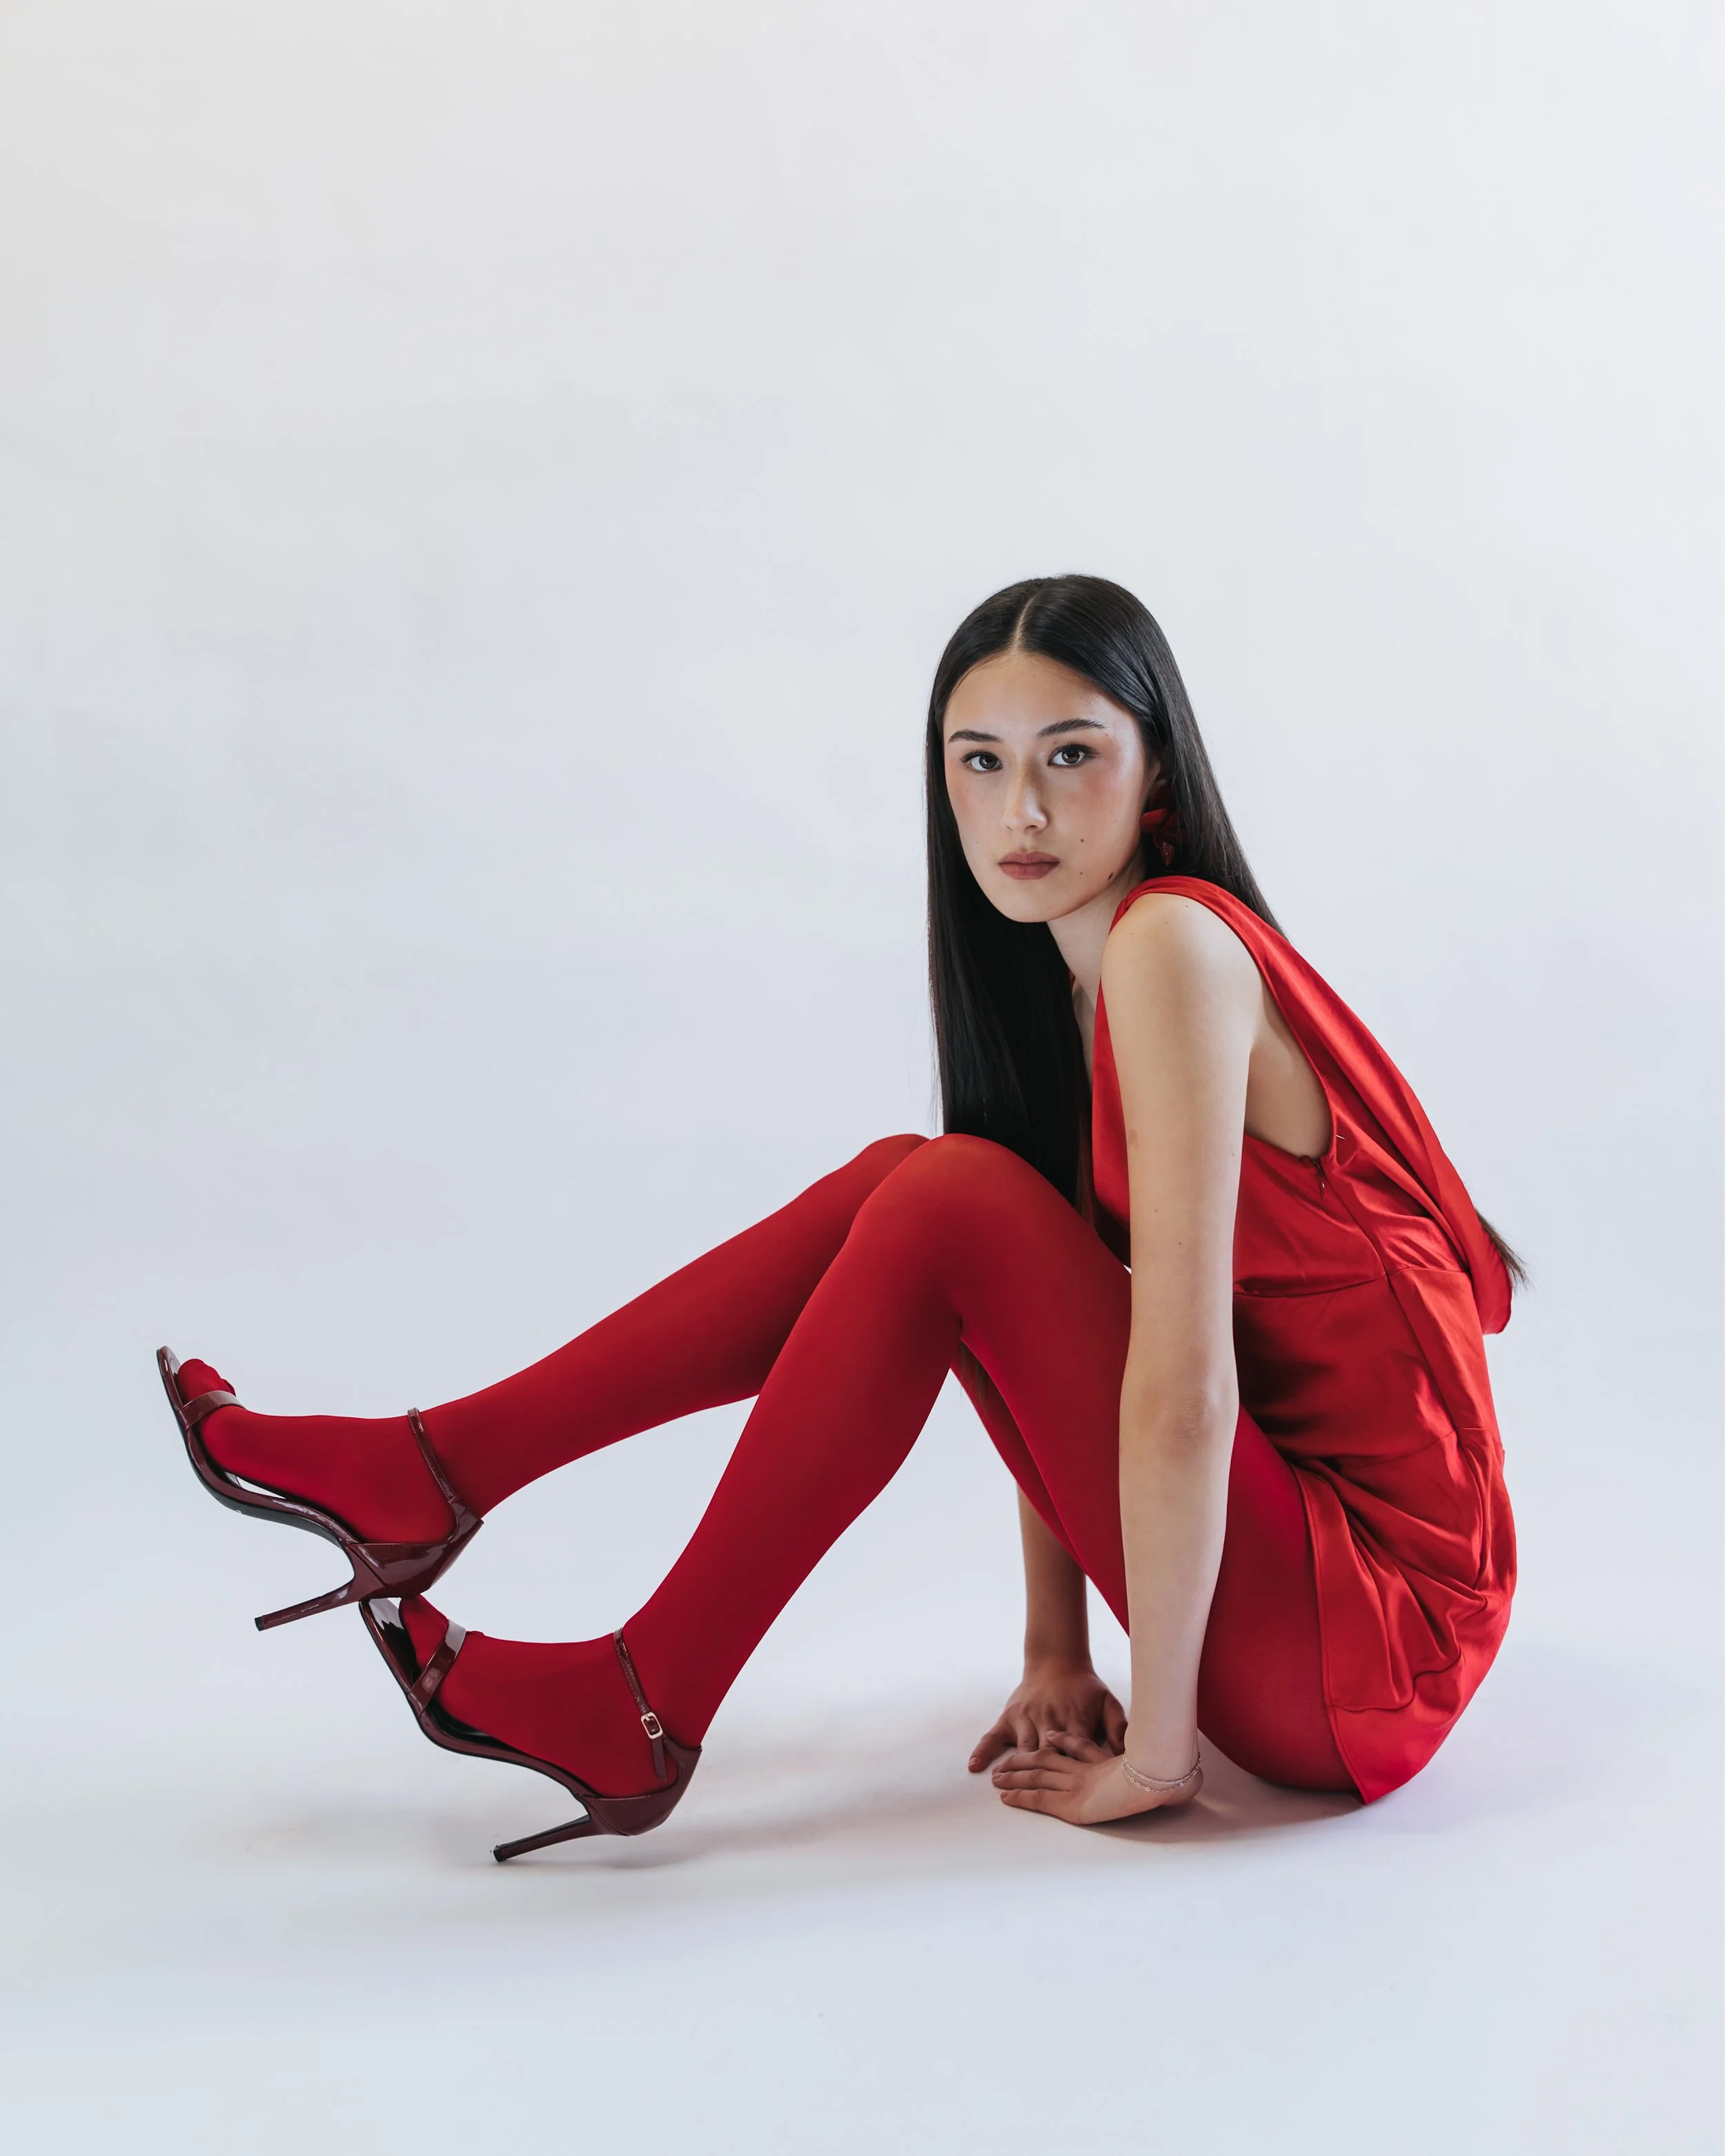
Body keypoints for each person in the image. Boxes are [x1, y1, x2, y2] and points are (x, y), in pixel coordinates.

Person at [159, 574, 1519, 1861]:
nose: (1018, 811)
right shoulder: (1080, 983)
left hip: (1368, 1645)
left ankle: (588, 1639)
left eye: (1068, 754)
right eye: (976, 760)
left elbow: (1176, 1390)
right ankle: (444, 1485)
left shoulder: (1169, 945)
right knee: (914, 1179)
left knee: (946, 1195)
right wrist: (1056, 1651)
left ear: (1154, 770)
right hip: (1294, 1581)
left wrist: (1158, 1754)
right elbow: (1057, 1342)